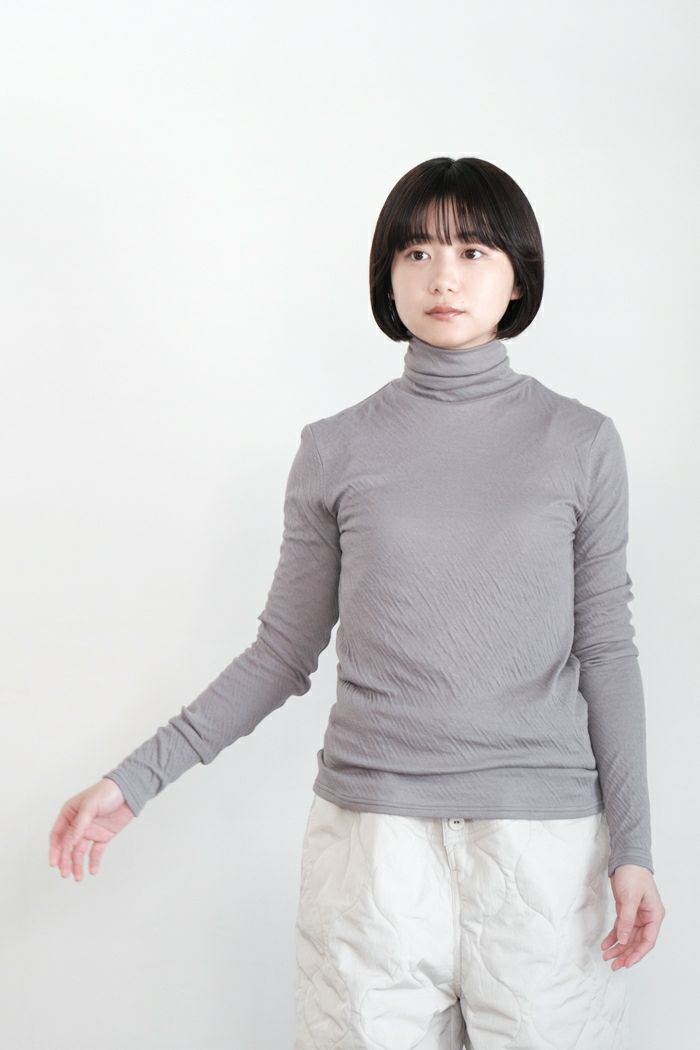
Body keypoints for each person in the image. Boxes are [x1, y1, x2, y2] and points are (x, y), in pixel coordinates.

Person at [49, 156, 665, 1049]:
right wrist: (135, 780)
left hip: (544, 848)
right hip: (373, 849)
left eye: (473, 251)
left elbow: (606, 651)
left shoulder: (580, 443)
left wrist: (634, 848)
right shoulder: (336, 448)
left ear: (518, 276)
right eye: (417, 253)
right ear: (387, 277)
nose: (443, 277)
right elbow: (279, 654)